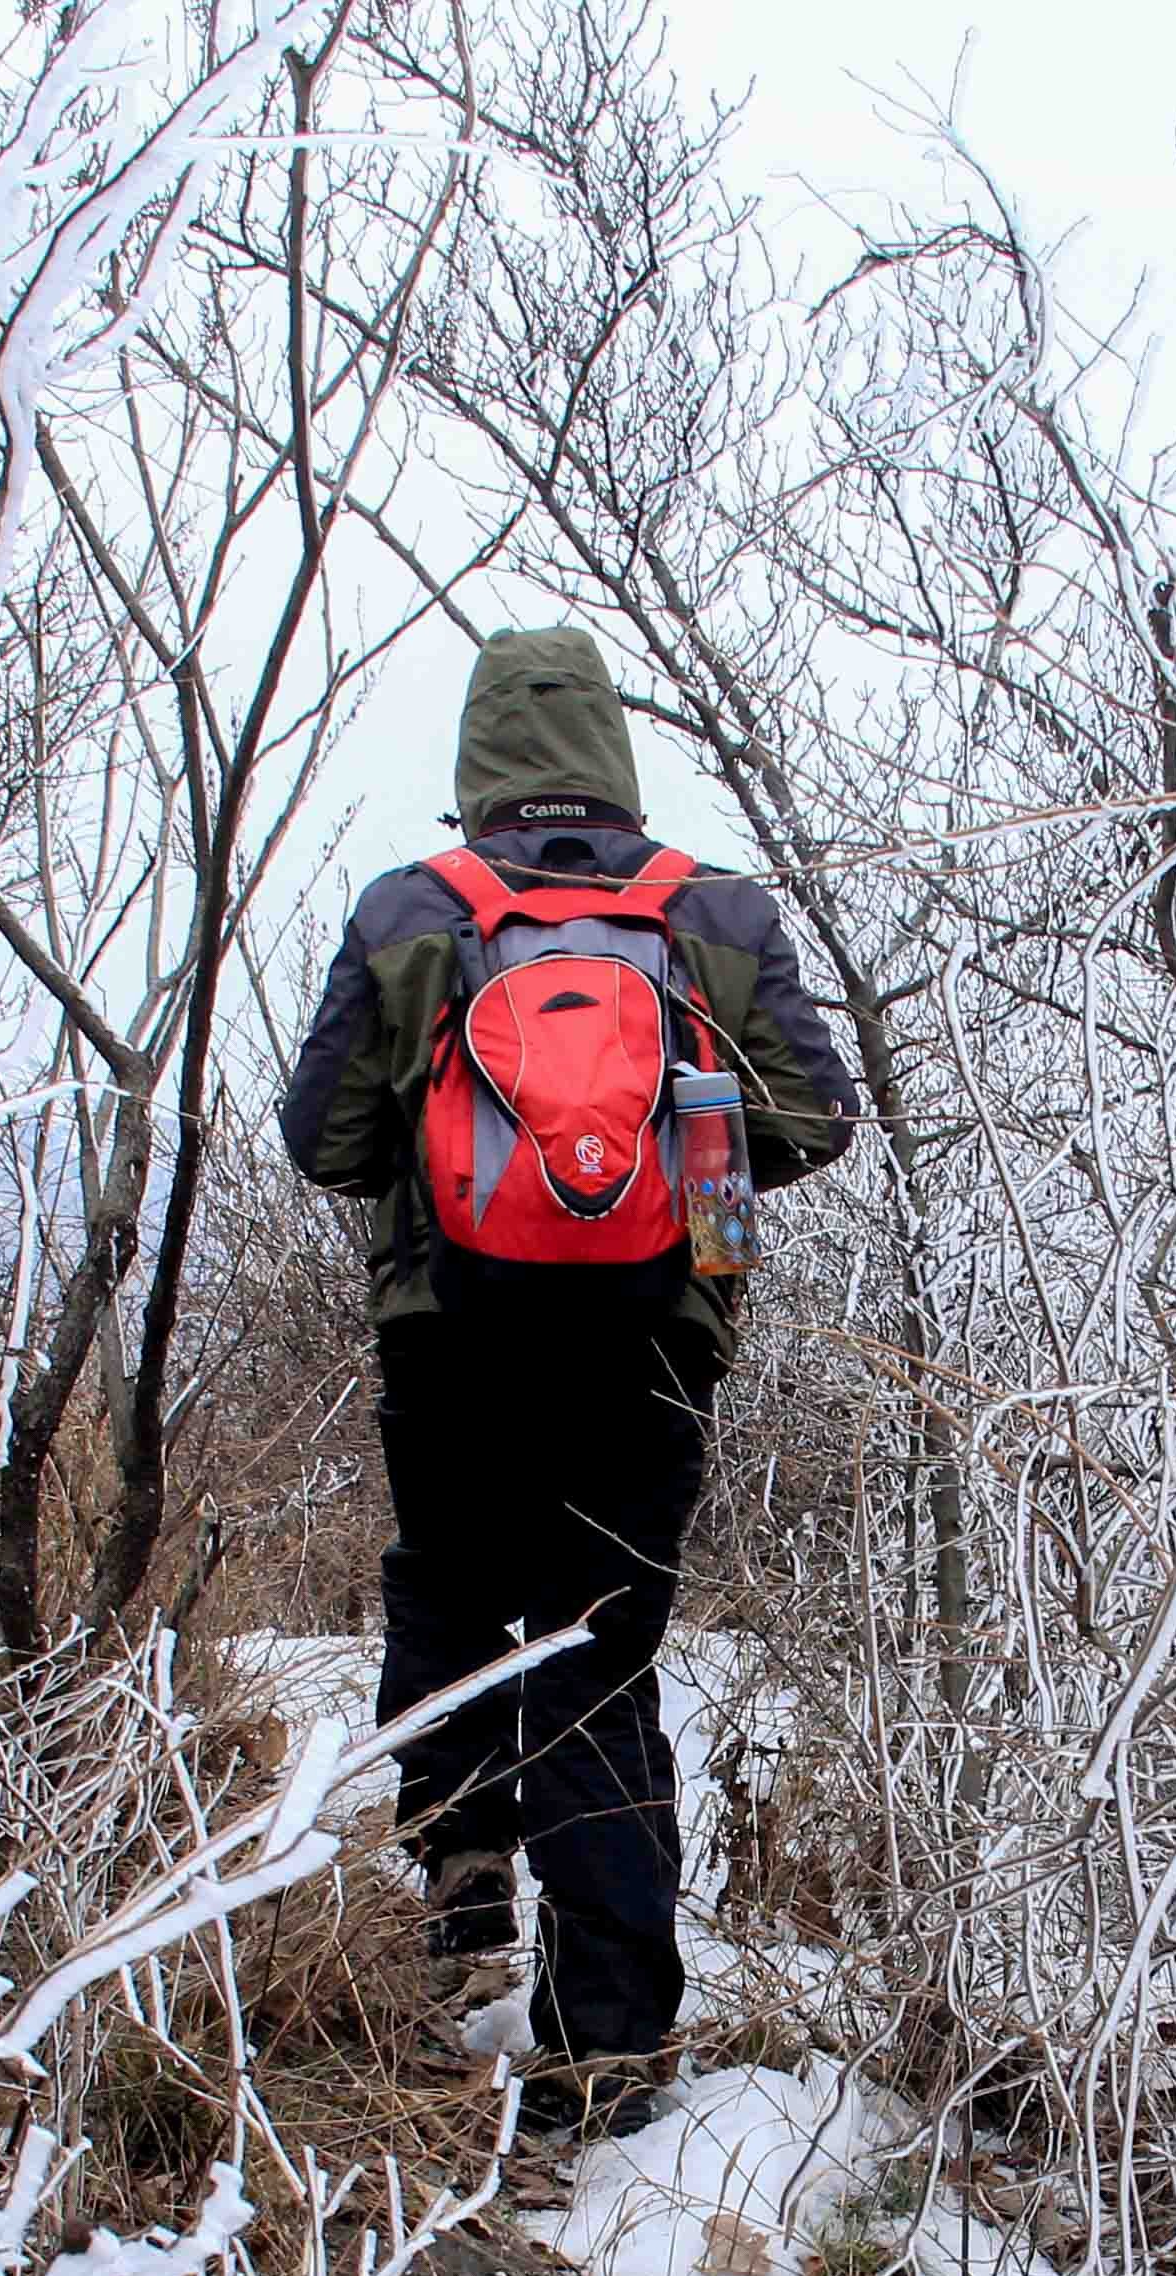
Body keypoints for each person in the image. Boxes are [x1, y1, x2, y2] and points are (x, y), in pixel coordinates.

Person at [275, 627, 860, 2133]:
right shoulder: (713, 912)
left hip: (448, 1337)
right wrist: (675, 1159)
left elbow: (324, 1141)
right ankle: (609, 2049)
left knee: (451, 1594)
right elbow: (818, 1118)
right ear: (613, 750)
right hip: (660, 1341)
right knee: (598, 1660)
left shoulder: (417, 908)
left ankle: (461, 1892)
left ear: (478, 761)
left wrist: (467, 1165)